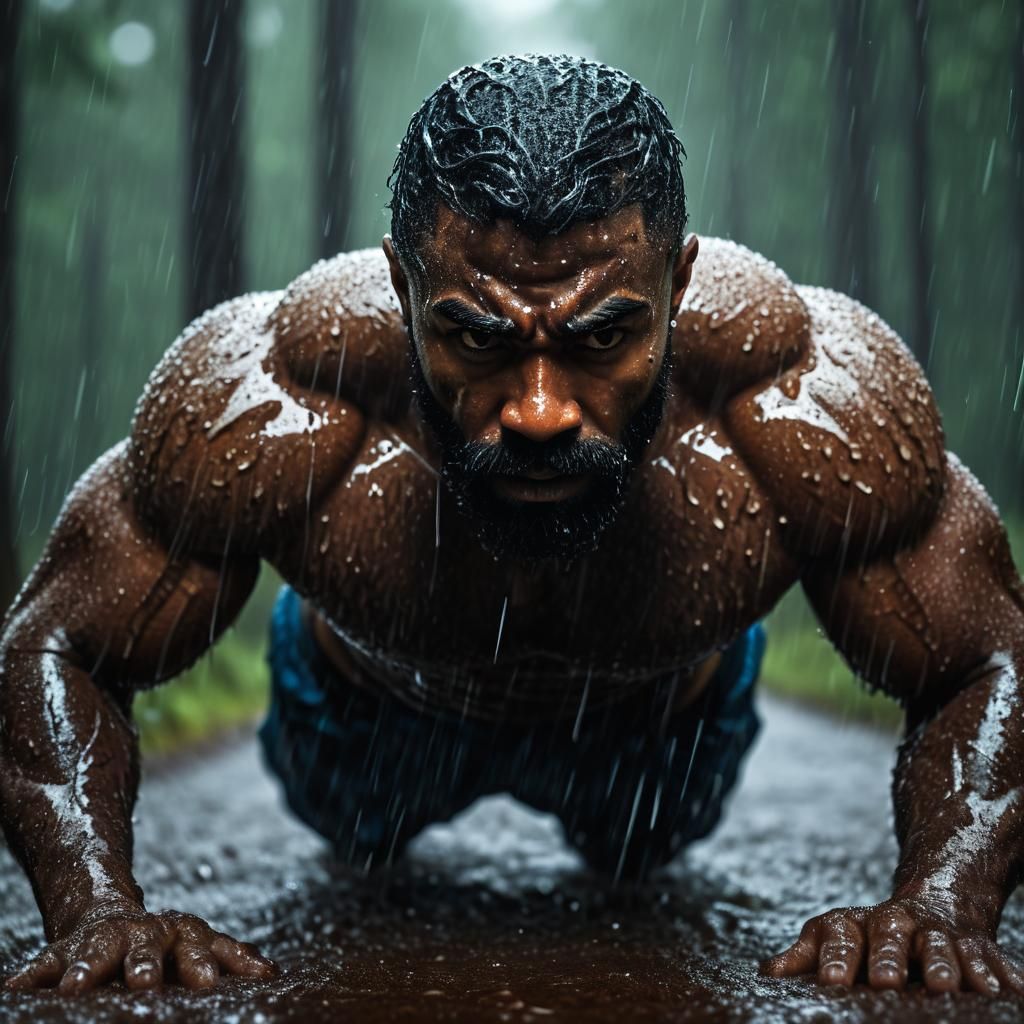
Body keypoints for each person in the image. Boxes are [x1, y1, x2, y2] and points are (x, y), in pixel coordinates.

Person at [2, 54, 1022, 998]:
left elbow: (989, 657)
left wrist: (943, 902)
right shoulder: (285, 390)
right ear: (401, 287)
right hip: (363, 730)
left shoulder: (797, 397)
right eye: (476, 336)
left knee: (638, 863)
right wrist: (97, 908)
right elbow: (56, 640)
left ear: (680, 280)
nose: (539, 409)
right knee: (363, 850)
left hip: (658, 743)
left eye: (604, 334)